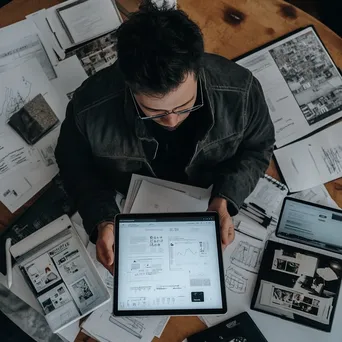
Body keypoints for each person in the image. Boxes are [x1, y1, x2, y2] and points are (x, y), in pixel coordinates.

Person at [55, 0, 275, 273]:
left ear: (198, 69)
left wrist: (226, 198)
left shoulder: (241, 90)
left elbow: (259, 146)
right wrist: (103, 220)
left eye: (185, 106)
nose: (171, 120)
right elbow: (75, 165)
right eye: (152, 111)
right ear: (128, 85)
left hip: (207, 195)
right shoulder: (88, 107)